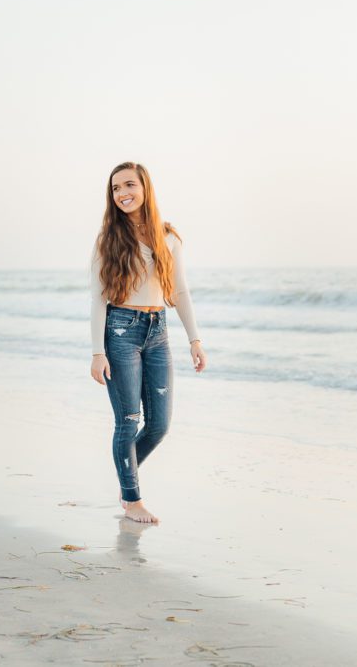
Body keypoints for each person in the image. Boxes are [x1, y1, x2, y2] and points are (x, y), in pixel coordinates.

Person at [89, 161, 207, 524]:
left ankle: (126, 477)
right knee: (127, 421)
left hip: (159, 330)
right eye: (115, 188)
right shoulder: (108, 239)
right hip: (120, 330)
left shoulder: (168, 236)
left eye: (129, 185)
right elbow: (97, 298)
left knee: (158, 425)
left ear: (145, 188)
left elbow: (181, 291)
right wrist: (97, 352)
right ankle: (133, 500)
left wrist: (195, 339)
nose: (122, 193)